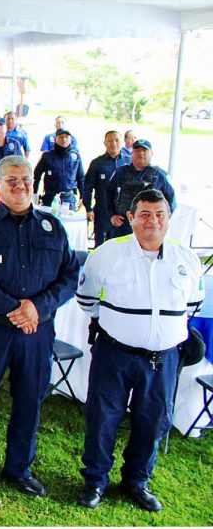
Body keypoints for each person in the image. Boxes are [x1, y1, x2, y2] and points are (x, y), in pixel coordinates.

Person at [0, 155, 79, 498]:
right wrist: (15, 309)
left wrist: (38, 308)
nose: (21, 185)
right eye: (12, 180)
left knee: (29, 402)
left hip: (36, 332)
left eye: (26, 179)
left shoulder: (52, 227)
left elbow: (70, 276)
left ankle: (19, 468)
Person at [74, 189, 202, 512]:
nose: (152, 221)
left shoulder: (186, 258)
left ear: (169, 219)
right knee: (103, 418)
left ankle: (136, 482)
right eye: (144, 214)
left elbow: (191, 305)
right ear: (131, 218)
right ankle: (95, 481)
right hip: (114, 354)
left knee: (153, 421)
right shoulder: (107, 253)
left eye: (159, 215)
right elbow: (87, 299)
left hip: (163, 360)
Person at [104, 139, 175, 240]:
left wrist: (161, 220)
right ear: (131, 153)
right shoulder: (120, 173)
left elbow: (171, 199)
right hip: (122, 226)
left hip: (148, 227)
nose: (141, 153)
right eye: (137, 150)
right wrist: (112, 215)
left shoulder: (159, 175)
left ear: (151, 154)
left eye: (145, 151)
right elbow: (108, 194)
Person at [83, 131, 131, 247]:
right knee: (100, 246)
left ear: (122, 143)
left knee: (122, 246)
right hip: (102, 212)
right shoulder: (97, 163)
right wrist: (88, 208)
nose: (113, 143)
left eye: (116, 140)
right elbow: (87, 188)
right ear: (104, 143)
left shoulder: (129, 162)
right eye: (110, 141)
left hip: (123, 214)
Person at [33, 128, 85, 209]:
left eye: (66, 137)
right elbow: (36, 176)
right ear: (55, 139)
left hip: (68, 200)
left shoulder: (76, 157)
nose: (64, 139)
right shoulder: (47, 156)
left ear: (70, 139)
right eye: (61, 137)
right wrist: (34, 194)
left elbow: (81, 178)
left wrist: (83, 196)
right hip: (50, 198)